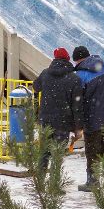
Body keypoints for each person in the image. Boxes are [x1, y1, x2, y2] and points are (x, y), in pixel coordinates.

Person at [71, 46, 104, 192]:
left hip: (92, 119)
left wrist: (78, 125)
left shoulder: (80, 75)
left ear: (77, 60)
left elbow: (78, 102)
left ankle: (92, 181)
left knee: (92, 151)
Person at [31, 48, 74, 178]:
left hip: (46, 119)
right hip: (63, 121)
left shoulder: (45, 73)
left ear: (54, 58)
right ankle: (54, 183)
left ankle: (40, 179)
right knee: (58, 152)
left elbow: (36, 87)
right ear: (67, 58)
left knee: (44, 151)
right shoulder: (71, 76)